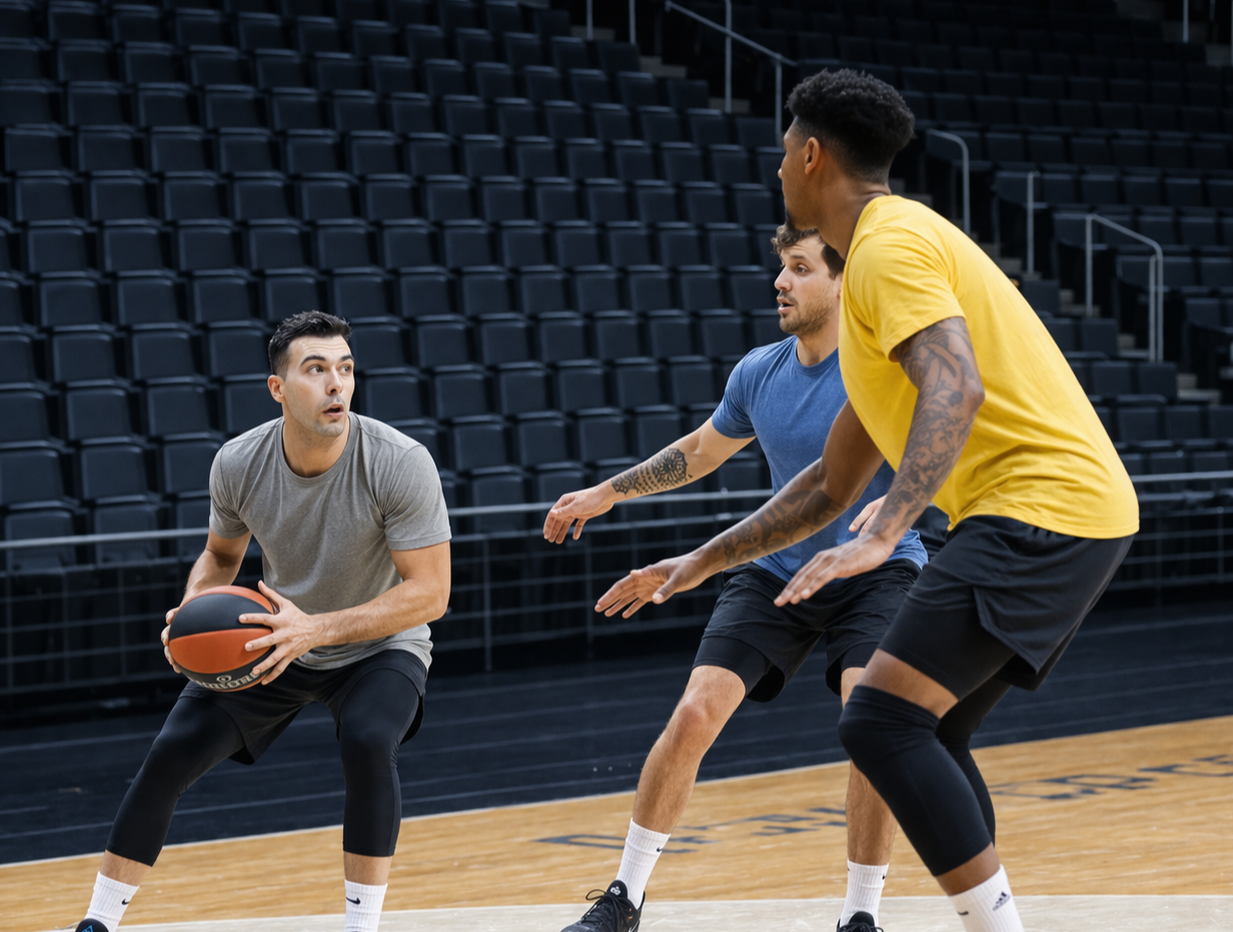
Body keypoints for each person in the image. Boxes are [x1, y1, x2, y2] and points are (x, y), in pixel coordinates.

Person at [595, 69, 1138, 932]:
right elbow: (825, 485)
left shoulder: (887, 246)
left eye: (782, 154)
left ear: (810, 156)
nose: (777, 169)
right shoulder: (881, 282)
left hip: (1039, 508)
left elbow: (952, 390)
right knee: (929, 731)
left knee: (877, 721)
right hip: (1074, 513)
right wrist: (699, 561)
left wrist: (884, 532)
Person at [543, 224, 931, 932]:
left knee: (867, 719)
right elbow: (698, 451)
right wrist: (607, 492)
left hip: (874, 569)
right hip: (776, 567)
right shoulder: (759, 369)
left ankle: (860, 916)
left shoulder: (880, 368)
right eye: (779, 268)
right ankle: (623, 899)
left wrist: (904, 500)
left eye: (798, 268)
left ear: (843, 282)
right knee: (693, 713)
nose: (780, 282)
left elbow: (944, 441)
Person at [72, 311, 452, 932]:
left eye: (346, 369)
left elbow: (431, 594)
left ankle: (363, 927)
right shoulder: (238, 462)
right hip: (274, 635)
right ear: (278, 388)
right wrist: (194, 608)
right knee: (170, 752)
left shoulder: (398, 462)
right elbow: (221, 556)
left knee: (366, 741)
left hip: (378, 643)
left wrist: (319, 629)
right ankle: (97, 921)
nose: (338, 384)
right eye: (317, 369)